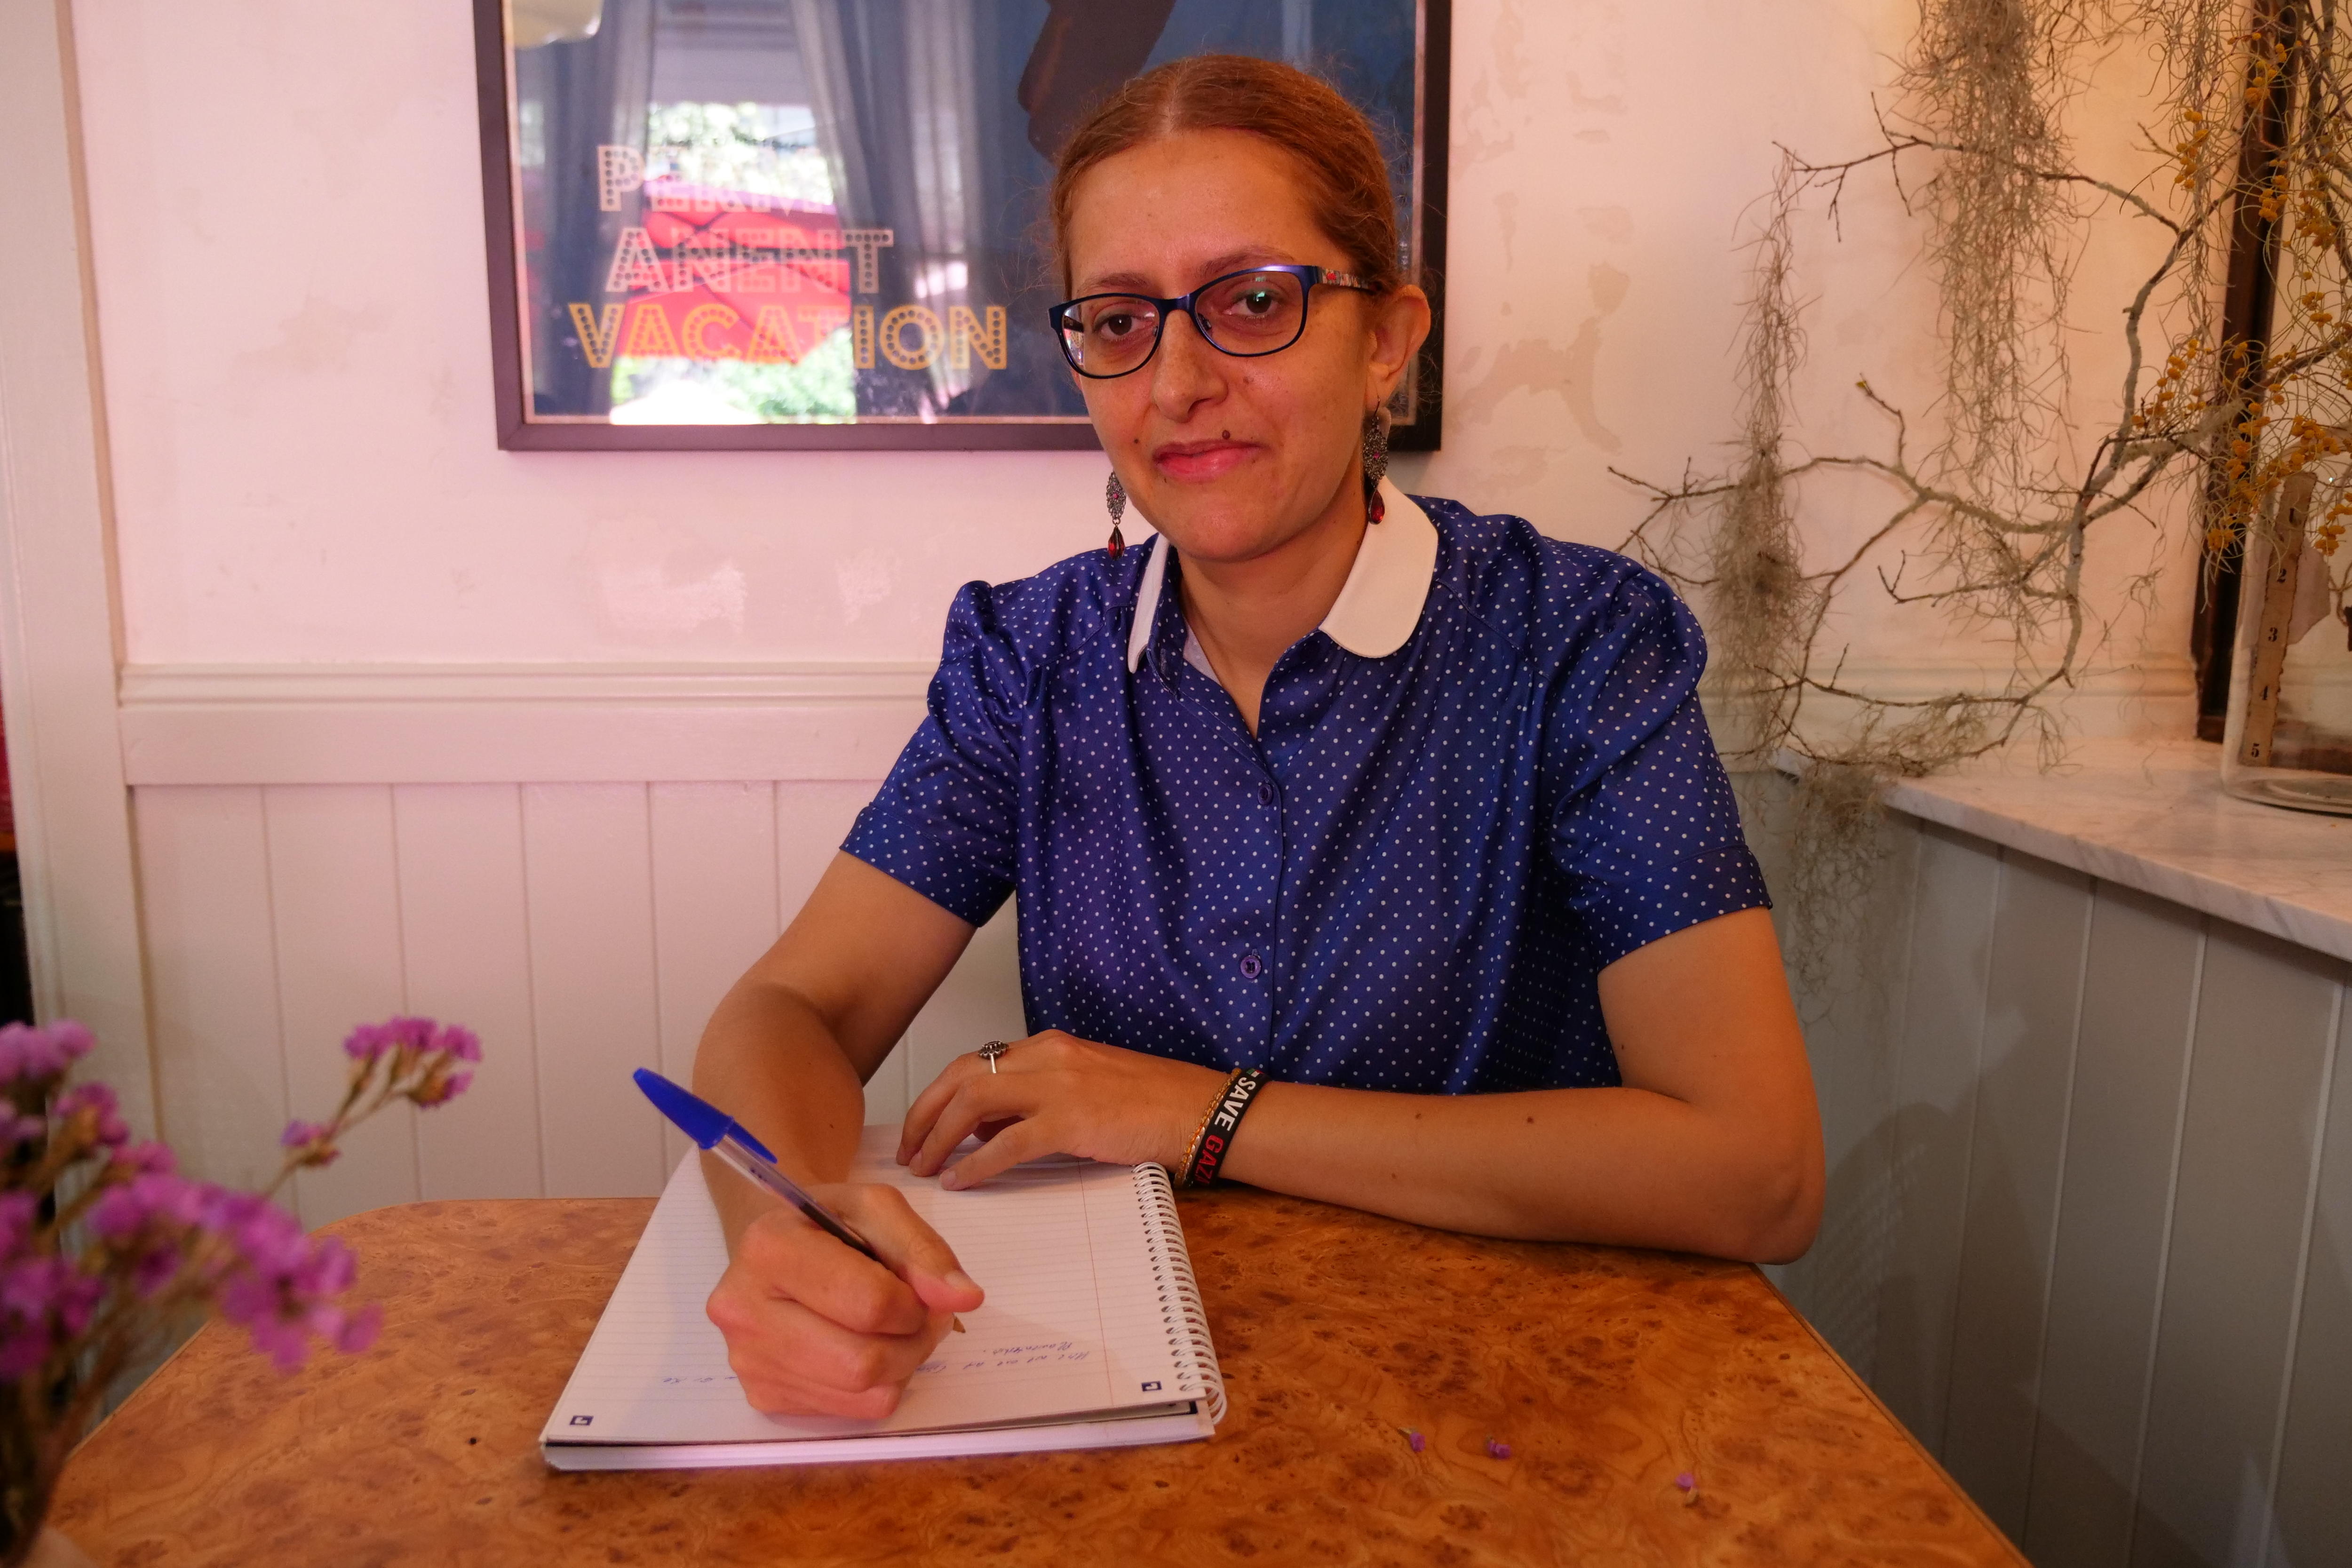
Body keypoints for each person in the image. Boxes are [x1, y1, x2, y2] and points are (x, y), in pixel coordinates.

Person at [692, 55, 1822, 1421]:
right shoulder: (1031, 660)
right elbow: (790, 1011)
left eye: (1252, 303)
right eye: (1119, 321)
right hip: (1116, 1405)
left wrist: (1195, 1113)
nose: (1176, 380)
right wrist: (793, 1220)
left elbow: (1754, 1168)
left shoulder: (1574, 646)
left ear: (1388, 338)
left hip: (1511, 1405)